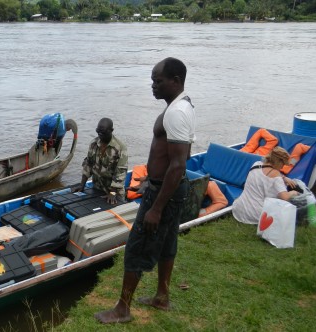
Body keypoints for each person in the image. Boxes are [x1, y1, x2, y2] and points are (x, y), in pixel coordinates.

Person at [95, 57, 195, 323]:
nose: (153, 86)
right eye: (152, 80)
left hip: (164, 192)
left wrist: (156, 207)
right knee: (166, 243)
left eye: (158, 81)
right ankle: (161, 296)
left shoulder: (176, 112)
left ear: (175, 81)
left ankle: (122, 309)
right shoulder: (182, 106)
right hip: (167, 188)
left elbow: (177, 164)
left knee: (137, 247)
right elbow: (179, 158)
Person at [232, 146, 299, 224]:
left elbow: (267, 172)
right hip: (256, 214)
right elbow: (285, 197)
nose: (282, 167)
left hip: (239, 209)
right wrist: (294, 192)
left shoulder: (256, 164)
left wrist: (284, 177)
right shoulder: (276, 177)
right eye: (283, 164)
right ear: (279, 162)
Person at [76, 117, 128, 204]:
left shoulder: (120, 147)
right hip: (97, 188)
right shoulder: (93, 144)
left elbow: (120, 173)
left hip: (114, 192)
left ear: (111, 130)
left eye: (103, 132)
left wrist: (112, 193)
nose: (100, 134)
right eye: (98, 131)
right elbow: (88, 164)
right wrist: (82, 185)